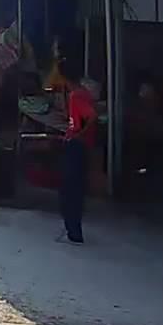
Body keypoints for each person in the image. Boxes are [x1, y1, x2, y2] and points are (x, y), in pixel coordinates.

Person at [58, 56, 96, 245]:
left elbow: (91, 116)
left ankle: (73, 231)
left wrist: (78, 135)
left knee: (70, 190)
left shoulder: (76, 96)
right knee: (74, 189)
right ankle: (73, 230)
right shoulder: (82, 93)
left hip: (76, 146)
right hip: (79, 144)